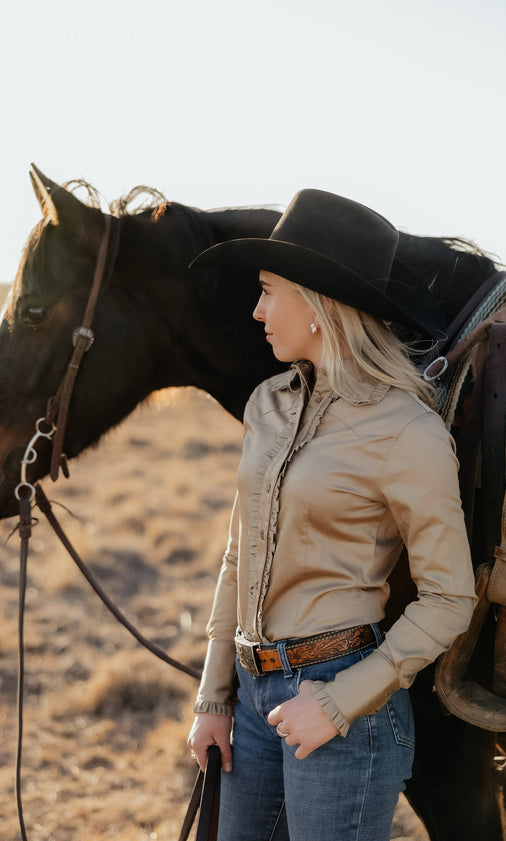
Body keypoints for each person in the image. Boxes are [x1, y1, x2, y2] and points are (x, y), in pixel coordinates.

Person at [187, 189, 476, 841]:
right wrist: (213, 697)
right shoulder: (268, 405)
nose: (256, 309)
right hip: (252, 696)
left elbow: (448, 597)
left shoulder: (406, 429)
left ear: (317, 305)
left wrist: (337, 702)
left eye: (267, 290)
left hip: (345, 701)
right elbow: (239, 554)